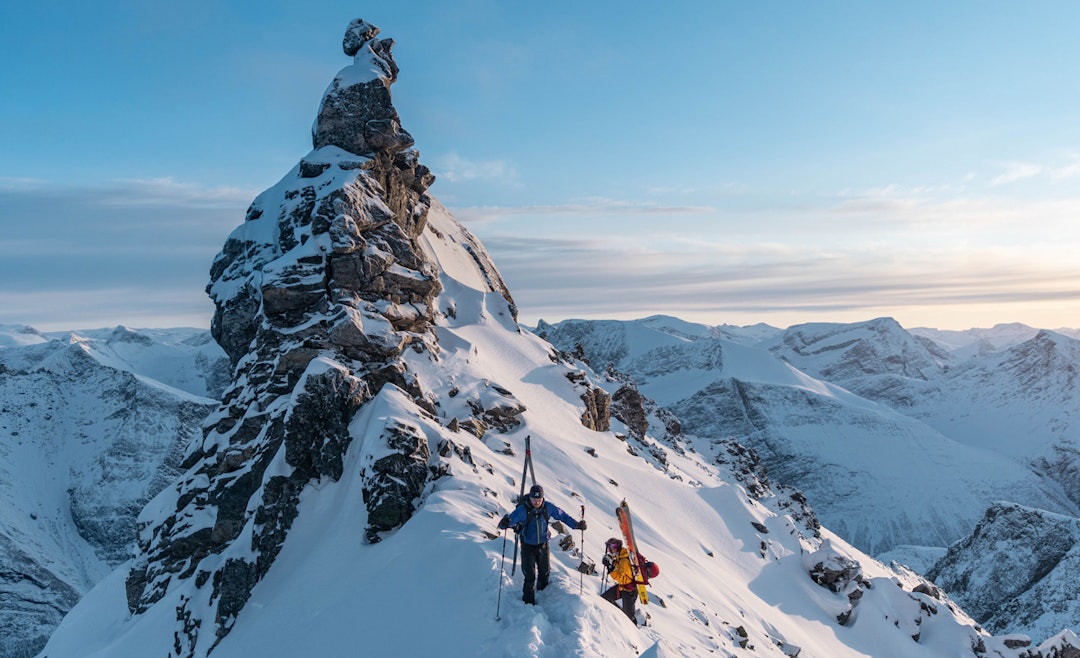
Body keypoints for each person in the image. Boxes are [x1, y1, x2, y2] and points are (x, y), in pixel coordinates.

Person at [498, 484, 586, 604]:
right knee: (529, 576)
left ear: (542, 498)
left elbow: (563, 516)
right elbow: (508, 521)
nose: (537, 502)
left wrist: (576, 525)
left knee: (545, 572)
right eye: (534, 499)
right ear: (530, 498)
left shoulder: (548, 507)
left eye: (539, 499)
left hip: (543, 545)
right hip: (527, 546)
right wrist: (505, 523)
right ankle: (528, 603)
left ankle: (544, 597)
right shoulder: (523, 510)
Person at [601, 537, 639, 623]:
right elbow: (619, 568)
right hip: (623, 588)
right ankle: (617, 615)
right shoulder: (621, 557)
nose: (610, 550)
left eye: (612, 547)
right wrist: (612, 563)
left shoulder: (624, 560)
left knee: (629, 617)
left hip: (629, 591)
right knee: (604, 599)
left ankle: (633, 630)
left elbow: (622, 578)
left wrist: (610, 568)